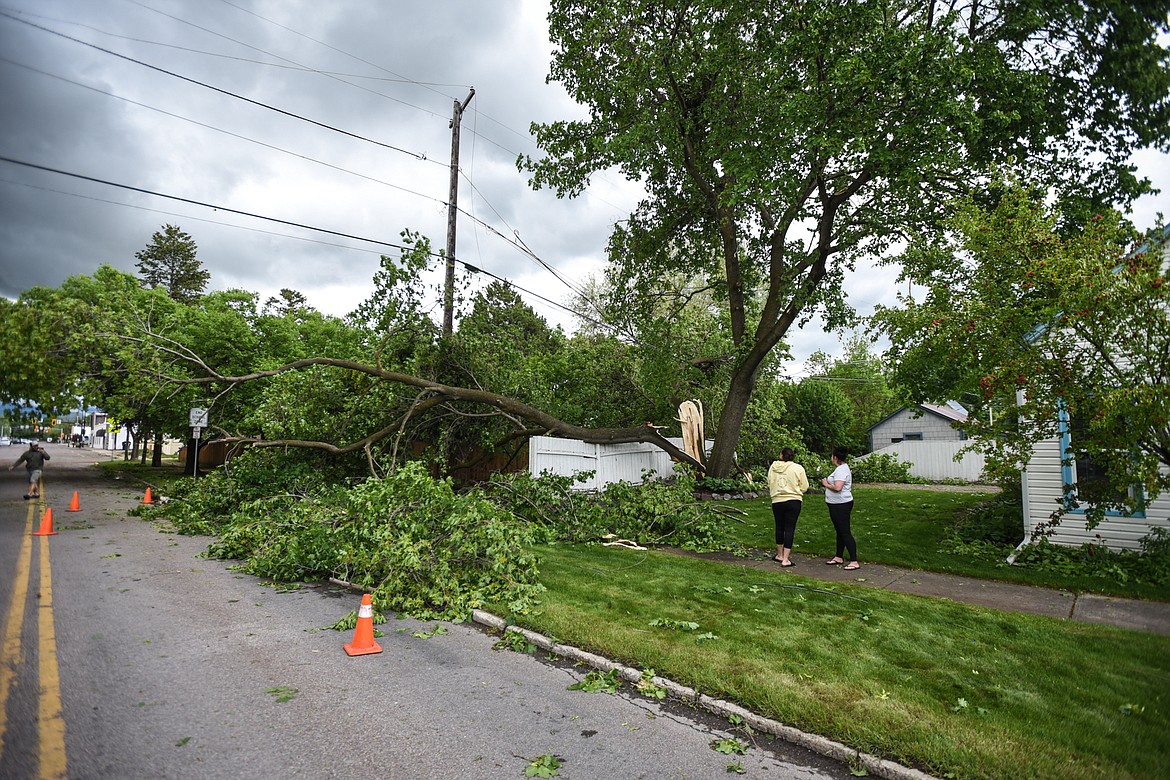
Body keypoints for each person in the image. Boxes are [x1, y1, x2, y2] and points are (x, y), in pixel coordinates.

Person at [766, 447, 809, 568]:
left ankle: (779, 555)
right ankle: (786, 559)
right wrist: (796, 491)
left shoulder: (773, 468)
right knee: (790, 528)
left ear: (781, 455)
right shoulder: (798, 468)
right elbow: (804, 486)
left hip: (777, 500)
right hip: (794, 500)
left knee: (779, 527)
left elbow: (770, 482)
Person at [821, 447, 859, 570]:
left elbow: (838, 488)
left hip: (841, 504)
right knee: (839, 531)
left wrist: (826, 484)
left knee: (845, 531)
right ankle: (839, 556)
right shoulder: (841, 469)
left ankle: (854, 560)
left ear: (835, 457)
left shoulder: (841, 470)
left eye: (832, 456)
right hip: (835, 504)